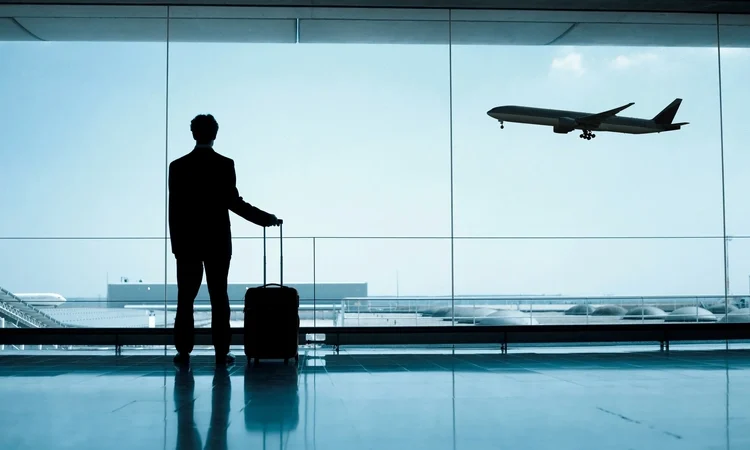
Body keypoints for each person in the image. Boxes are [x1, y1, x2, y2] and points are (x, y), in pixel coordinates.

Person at [169, 114, 280, 366]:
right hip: (217, 241)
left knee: (185, 298)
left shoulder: (178, 166)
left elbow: (174, 210)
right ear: (215, 135)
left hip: (187, 244)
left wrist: (177, 246)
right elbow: (234, 203)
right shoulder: (224, 164)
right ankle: (221, 352)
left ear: (193, 133)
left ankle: (183, 351)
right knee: (219, 297)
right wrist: (266, 219)